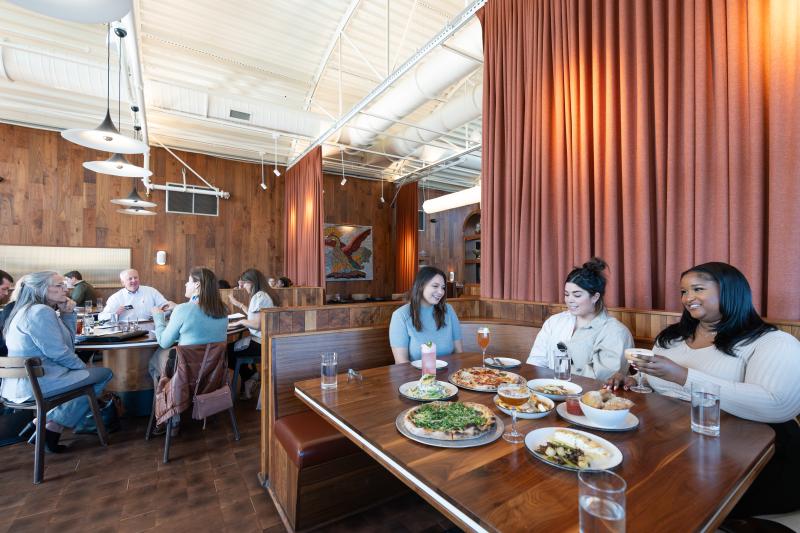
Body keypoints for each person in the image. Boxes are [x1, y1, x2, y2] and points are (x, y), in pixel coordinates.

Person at [606, 262, 800, 517]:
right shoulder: (672, 338)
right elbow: (655, 381)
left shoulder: (771, 342)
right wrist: (634, 380)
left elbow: (778, 404)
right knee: (615, 465)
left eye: (697, 289)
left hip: (755, 457)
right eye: (684, 292)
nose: (688, 298)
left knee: (654, 496)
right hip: (679, 443)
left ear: (730, 291)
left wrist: (683, 376)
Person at [0, 271, 113, 452]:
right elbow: (62, 353)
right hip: (37, 384)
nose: (66, 288)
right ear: (41, 289)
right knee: (103, 374)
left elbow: (67, 345)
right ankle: (49, 426)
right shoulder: (40, 312)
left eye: (64, 284)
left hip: (23, 383)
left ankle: (45, 425)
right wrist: (82, 369)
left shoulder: (24, 310)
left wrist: (67, 314)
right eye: (59, 285)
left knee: (87, 380)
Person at [149, 267, 229, 435]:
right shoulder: (223, 310)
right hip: (211, 375)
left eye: (189, 281)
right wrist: (178, 307)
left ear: (197, 285)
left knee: (155, 361)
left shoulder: (183, 310)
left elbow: (164, 342)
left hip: (185, 376)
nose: (186, 283)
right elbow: (199, 313)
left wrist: (158, 318)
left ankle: (171, 414)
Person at [527, 257, 633, 382]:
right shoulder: (555, 322)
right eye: (566, 294)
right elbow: (536, 362)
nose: (569, 300)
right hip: (548, 390)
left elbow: (603, 379)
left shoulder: (616, 332)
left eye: (577, 295)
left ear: (595, 297)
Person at [389, 266, 463, 364]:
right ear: (421, 286)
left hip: (448, 375)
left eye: (443, 287)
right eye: (435, 286)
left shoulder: (448, 310)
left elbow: (459, 353)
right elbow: (401, 362)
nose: (441, 292)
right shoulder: (400, 316)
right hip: (417, 377)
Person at [227, 269, 274, 397]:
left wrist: (238, 322)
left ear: (252, 282)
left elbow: (256, 324)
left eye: (245, 283)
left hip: (260, 343)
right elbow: (254, 316)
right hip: (264, 341)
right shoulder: (263, 295)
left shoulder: (259, 297)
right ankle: (251, 377)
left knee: (226, 352)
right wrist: (238, 304)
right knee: (229, 349)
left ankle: (250, 377)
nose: (242, 286)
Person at [101, 269, 174, 321]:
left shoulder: (151, 291)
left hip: (150, 326)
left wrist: (159, 315)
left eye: (135, 277)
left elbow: (167, 307)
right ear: (123, 282)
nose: (134, 280)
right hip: (126, 330)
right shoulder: (115, 297)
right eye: (130, 279)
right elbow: (101, 317)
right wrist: (115, 314)